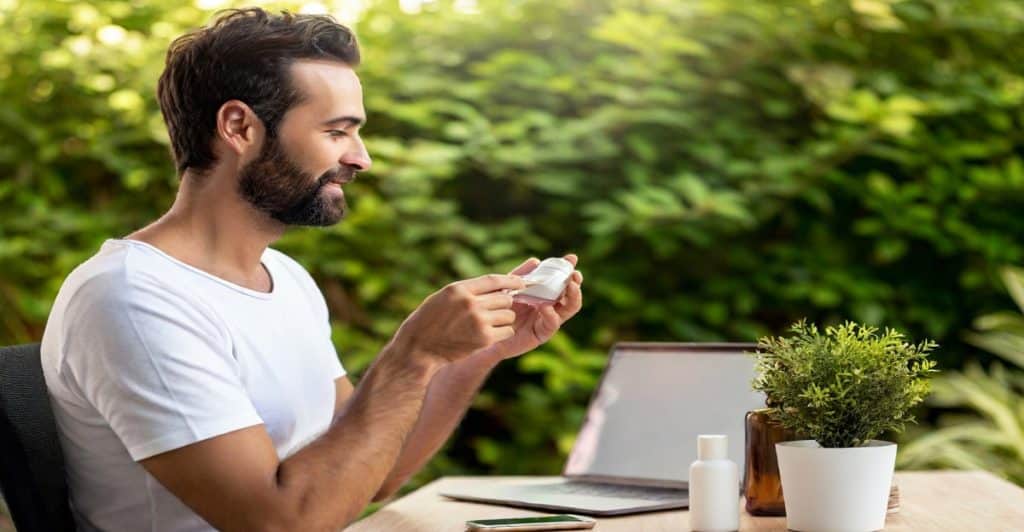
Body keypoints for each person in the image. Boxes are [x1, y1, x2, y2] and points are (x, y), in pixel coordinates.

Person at [40, 8, 584, 531]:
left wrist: (475, 351)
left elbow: (371, 475)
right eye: (336, 131)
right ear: (239, 127)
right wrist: (411, 356)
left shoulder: (284, 279)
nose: (361, 157)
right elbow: (280, 524)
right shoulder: (133, 297)